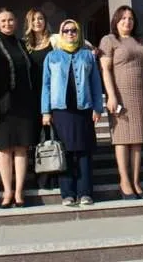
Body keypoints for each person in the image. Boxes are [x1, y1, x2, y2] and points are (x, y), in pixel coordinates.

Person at [41, 19, 103, 207]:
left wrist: (98, 107)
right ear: (60, 33)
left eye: (73, 30)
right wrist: (45, 111)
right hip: (61, 111)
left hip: (83, 109)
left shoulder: (87, 56)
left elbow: (95, 83)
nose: (70, 34)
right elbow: (46, 85)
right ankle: (67, 193)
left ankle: (85, 193)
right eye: (66, 31)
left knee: (84, 152)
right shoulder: (52, 57)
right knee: (65, 153)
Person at [0, 8, 37, 208]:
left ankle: (19, 192)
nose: (7, 24)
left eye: (11, 20)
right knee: (4, 149)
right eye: (3, 21)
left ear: (16, 21)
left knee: (21, 148)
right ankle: (7, 191)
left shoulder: (22, 44)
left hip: (24, 104)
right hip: (2, 105)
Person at [99, 5, 143, 199]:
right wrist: (111, 96)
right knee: (122, 139)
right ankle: (125, 181)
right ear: (116, 20)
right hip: (120, 93)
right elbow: (105, 69)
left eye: (130, 18)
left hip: (139, 94)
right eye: (123, 18)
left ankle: (136, 181)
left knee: (138, 140)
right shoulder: (109, 40)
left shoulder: (139, 40)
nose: (127, 21)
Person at [24, 8, 56, 190]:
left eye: (41, 18)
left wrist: (94, 51)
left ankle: (53, 176)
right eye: (34, 19)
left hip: (52, 95)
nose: (37, 22)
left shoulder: (55, 40)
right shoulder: (24, 44)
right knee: (35, 138)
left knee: (52, 137)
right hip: (32, 98)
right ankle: (38, 177)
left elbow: (79, 41)